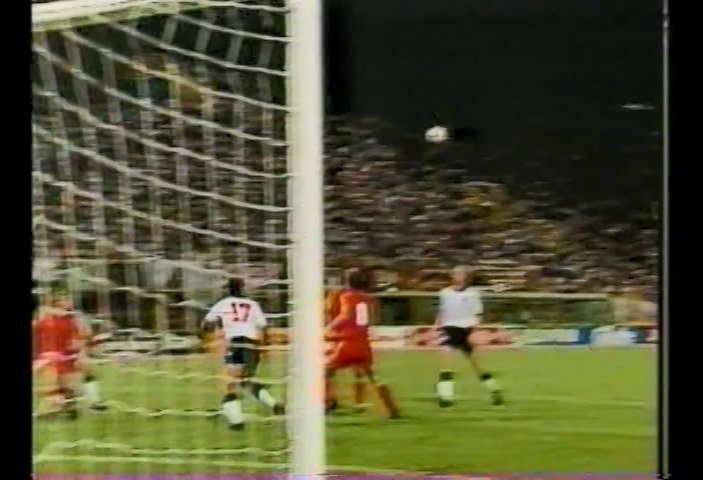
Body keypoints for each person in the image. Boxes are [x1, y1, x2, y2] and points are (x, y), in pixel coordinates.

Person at [202, 278, 285, 431]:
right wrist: (265, 348)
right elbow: (263, 327)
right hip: (252, 345)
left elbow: (207, 322)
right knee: (246, 382)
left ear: (228, 289)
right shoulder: (253, 304)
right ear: (243, 288)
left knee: (230, 383)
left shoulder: (223, 303)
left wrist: (210, 336)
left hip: (235, 344)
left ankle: (237, 421)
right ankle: (274, 404)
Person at [325, 268, 400, 418]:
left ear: (347, 281)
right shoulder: (367, 298)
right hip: (364, 343)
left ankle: (327, 404)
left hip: (348, 343)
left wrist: (330, 327)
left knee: (325, 372)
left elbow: (346, 314)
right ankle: (392, 409)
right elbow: (369, 319)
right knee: (373, 377)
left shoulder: (347, 296)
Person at [434, 266, 505, 407]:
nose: (459, 277)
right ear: (452, 276)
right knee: (446, 364)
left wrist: (475, 331)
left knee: (477, 366)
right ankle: (445, 397)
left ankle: (494, 390)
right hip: (449, 329)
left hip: (467, 330)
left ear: (467, 277)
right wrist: (436, 326)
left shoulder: (473, 294)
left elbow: (478, 314)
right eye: (456, 274)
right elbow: (442, 311)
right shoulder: (444, 293)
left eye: (462, 275)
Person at [33, 290, 107, 418]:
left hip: (65, 354)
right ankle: (68, 407)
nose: (69, 302)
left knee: (76, 378)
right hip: (51, 355)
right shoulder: (47, 315)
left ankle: (89, 404)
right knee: (58, 385)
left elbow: (82, 336)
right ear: (57, 301)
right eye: (66, 299)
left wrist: (83, 349)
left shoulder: (72, 318)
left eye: (69, 299)